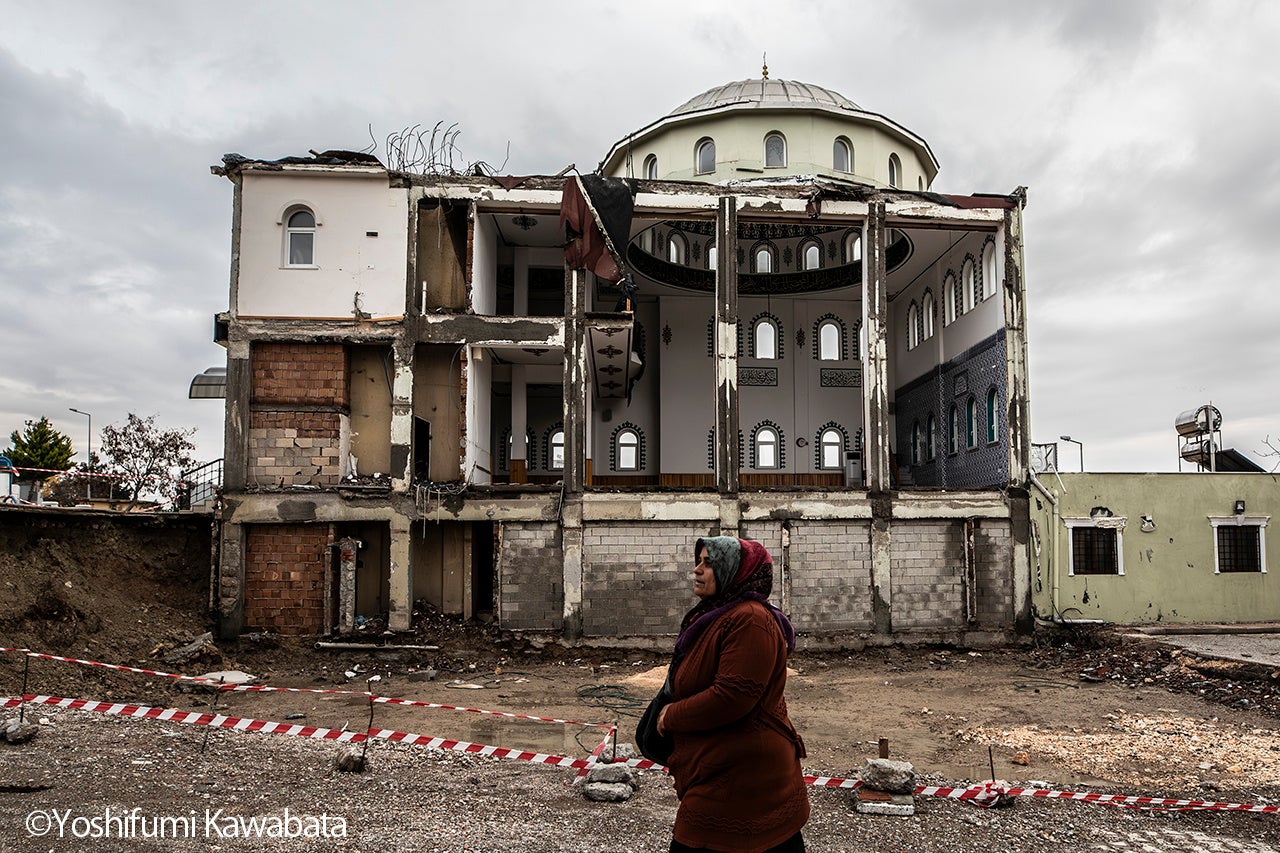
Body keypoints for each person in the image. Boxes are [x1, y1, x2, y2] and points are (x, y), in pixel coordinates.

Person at [655, 536, 809, 853]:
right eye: (698, 561)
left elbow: (732, 696)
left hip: (745, 778)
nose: (697, 570)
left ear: (735, 571)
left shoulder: (751, 619)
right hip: (723, 767)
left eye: (708, 563)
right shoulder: (715, 616)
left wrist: (671, 716)